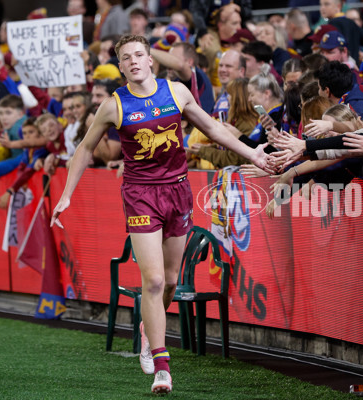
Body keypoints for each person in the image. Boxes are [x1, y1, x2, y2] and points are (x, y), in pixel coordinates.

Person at [49, 34, 270, 395]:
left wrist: (254, 155)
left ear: (151, 60)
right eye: (126, 57)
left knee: (169, 281)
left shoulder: (177, 92)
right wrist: (66, 195)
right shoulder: (113, 105)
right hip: (140, 196)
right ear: (120, 66)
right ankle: (161, 365)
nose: (134, 61)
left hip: (178, 191)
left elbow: (212, 129)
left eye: (139, 54)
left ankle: (146, 328)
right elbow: (85, 148)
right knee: (151, 281)